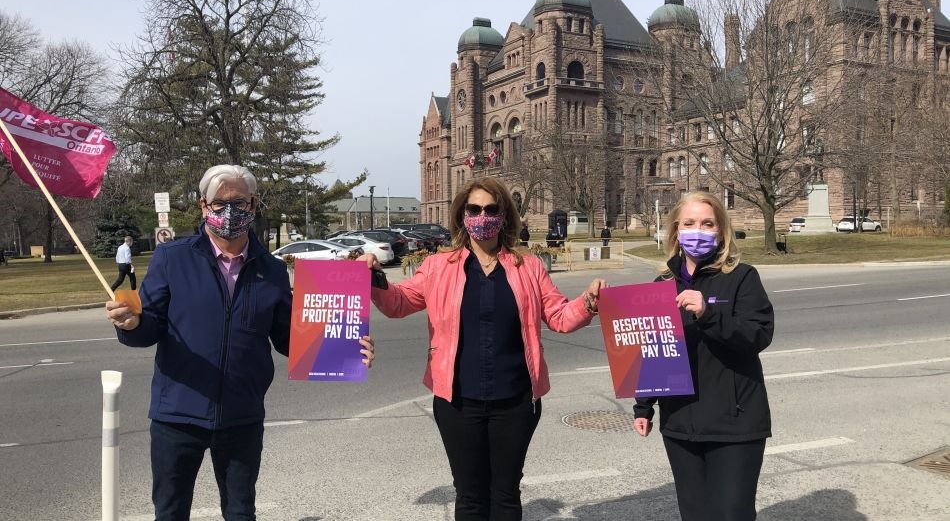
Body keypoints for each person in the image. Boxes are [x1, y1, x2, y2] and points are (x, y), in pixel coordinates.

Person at [105, 164, 375, 520]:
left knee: (241, 511)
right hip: (178, 415)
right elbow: (149, 327)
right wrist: (131, 323)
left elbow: (288, 339)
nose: (229, 211)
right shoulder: (173, 258)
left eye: (239, 202)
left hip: (241, 416)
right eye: (219, 203)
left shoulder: (272, 269)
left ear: (254, 204)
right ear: (204, 207)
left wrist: (345, 348)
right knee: (169, 511)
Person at [359, 177, 605, 520]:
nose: (482, 216)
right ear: (462, 215)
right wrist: (374, 278)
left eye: (492, 209)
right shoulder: (437, 267)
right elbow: (398, 303)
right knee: (470, 495)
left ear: (504, 216)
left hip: (517, 401)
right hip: (458, 402)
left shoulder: (529, 267)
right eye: (474, 209)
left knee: (505, 494)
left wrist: (589, 302)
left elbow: (560, 317)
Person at [632, 191, 774, 521]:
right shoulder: (662, 284)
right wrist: (644, 405)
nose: (698, 230)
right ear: (676, 231)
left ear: (721, 230)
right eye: (690, 223)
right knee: (695, 514)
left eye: (708, 223)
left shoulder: (741, 277)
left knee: (731, 513)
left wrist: (708, 313)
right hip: (681, 422)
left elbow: (758, 334)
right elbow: (655, 353)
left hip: (734, 423)